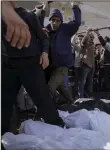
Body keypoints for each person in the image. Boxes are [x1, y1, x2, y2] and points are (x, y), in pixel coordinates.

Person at [1, 1, 65, 137]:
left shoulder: (28, 15)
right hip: (8, 65)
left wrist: (45, 53)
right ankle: (3, 134)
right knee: (5, 102)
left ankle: (58, 126)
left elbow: (43, 38)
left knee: (42, 98)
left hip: (30, 64)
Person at [43, 2, 81, 103]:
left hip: (62, 66)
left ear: (61, 21)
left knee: (50, 87)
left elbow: (76, 22)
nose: (55, 22)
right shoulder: (46, 30)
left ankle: (45, 111)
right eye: (53, 20)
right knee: (63, 87)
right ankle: (71, 102)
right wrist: (43, 9)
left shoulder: (66, 29)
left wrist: (75, 7)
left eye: (57, 20)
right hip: (50, 67)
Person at [79, 28, 95, 98]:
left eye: (93, 37)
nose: (92, 38)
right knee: (83, 82)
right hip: (86, 64)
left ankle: (89, 96)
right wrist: (87, 33)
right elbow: (82, 42)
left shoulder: (92, 45)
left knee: (90, 83)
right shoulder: (85, 43)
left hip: (92, 66)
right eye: (91, 37)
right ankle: (81, 97)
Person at [72, 34, 84, 98]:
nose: (80, 40)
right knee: (76, 81)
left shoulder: (84, 47)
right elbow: (71, 42)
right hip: (75, 66)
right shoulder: (77, 47)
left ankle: (81, 95)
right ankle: (75, 95)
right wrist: (74, 35)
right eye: (79, 39)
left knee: (82, 81)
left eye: (81, 39)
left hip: (82, 66)